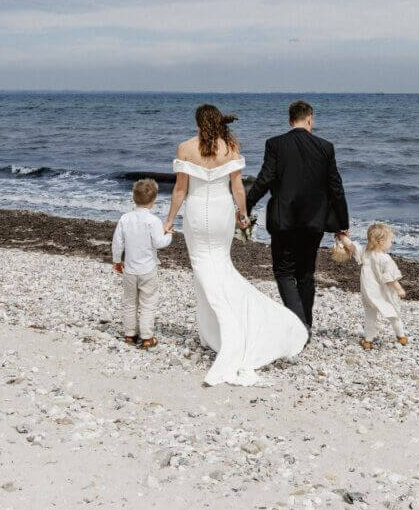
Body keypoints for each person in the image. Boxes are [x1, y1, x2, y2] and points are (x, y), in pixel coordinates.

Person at [163, 104, 308, 386]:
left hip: (195, 214)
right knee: (219, 266)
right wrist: (242, 215)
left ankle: (223, 332)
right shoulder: (230, 147)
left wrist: (169, 219)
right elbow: (238, 188)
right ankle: (211, 332)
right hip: (220, 214)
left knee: (204, 270)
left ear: (197, 122)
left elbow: (180, 189)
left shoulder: (185, 148)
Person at [246, 99, 349, 337]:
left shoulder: (275, 144)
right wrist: (342, 224)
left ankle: (299, 327)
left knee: (283, 272)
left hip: (283, 220)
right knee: (305, 273)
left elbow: (265, 179)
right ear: (310, 118)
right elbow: (336, 187)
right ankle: (306, 325)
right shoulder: (326, 147)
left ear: (290, 119)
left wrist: (246, 205)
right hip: (314, 221)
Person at [112, 178, 172, 349]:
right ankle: (146, 337)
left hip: (130, 269)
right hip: (148, 270)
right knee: (148, 303)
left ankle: (130, 334)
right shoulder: (153, 221)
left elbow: (117, 243)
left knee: (130, 302)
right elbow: (160, 243)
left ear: (133, 198)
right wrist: (169, 234)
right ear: (153, 201)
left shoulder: (125, 218)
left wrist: (117, 261)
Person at [337, 224, 408, 350]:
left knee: (370, 316)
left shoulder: (365, 252)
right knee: (393, 314)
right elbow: (390, 278)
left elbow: (350, 246)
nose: (391, 243)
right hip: (383, 294)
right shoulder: (385, 259)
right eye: (390, 240)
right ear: (381, 241)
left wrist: (341, 235)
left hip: (369, 293)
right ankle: (401, 336)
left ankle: (368, 341)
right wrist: (399, 289)